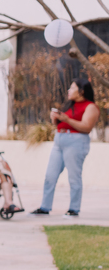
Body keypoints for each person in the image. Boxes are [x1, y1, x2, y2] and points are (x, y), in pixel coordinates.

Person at [33, 76, 100, 217]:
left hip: (76, 141)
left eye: (72, 88)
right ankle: (45, 207)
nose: (69, 90)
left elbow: (86, 127)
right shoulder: (70, 105)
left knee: (74, 176)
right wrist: (56, 119)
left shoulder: (90, 107)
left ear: (81, 91)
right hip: (60, 139)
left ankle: (74, 209)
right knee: (50, 175)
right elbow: (61, 124)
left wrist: (67, 119)